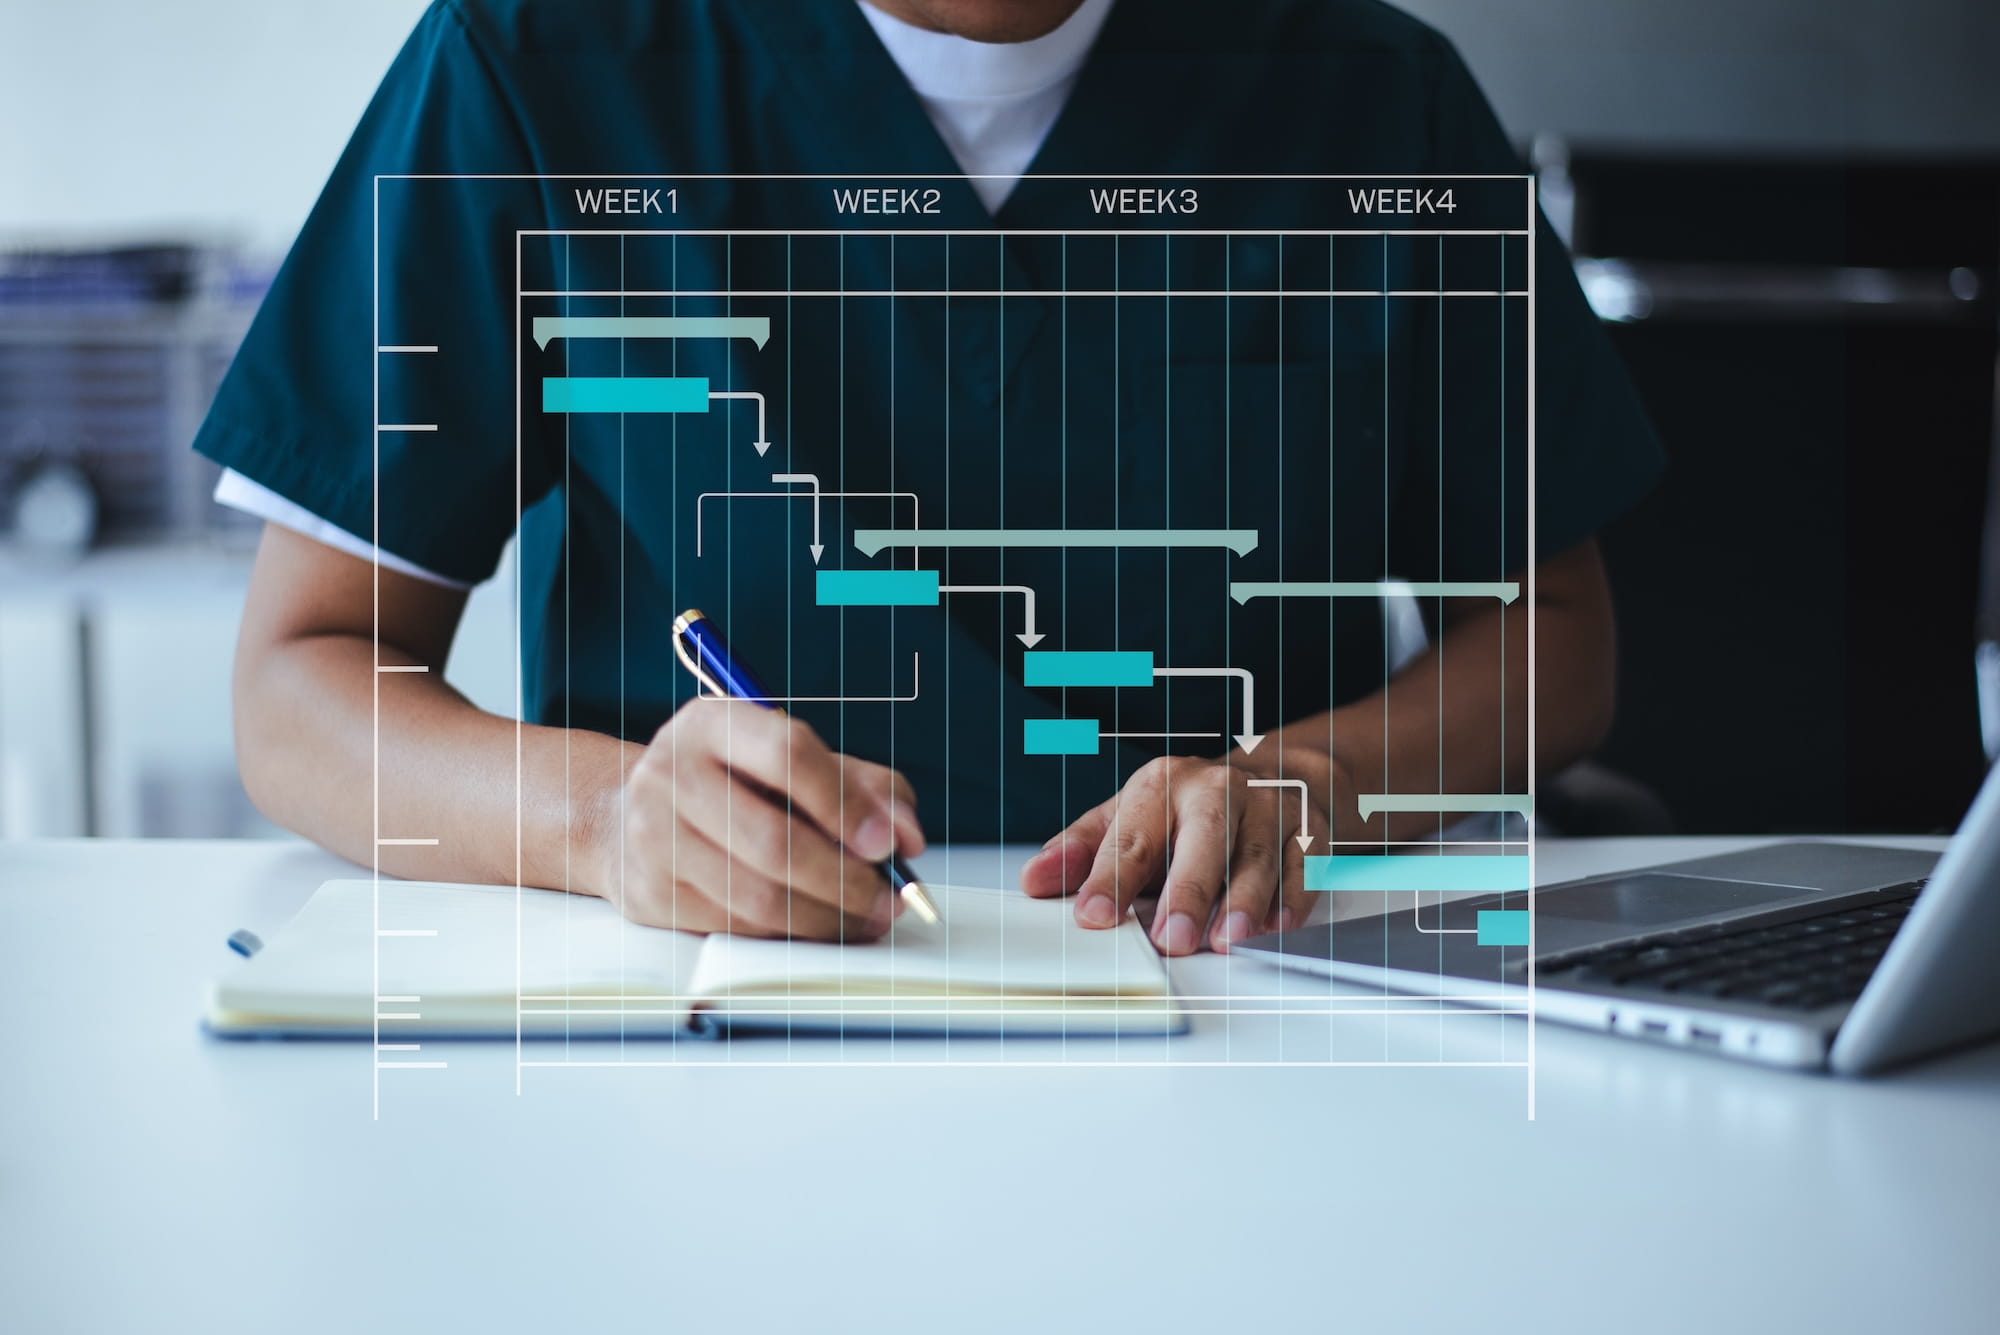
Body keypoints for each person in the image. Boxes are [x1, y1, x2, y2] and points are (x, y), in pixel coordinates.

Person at [199, 0, 1661, 957]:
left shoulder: (1371, 101)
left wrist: (1316, 783)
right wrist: (601, 822)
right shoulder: (532, 67)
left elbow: (1558, 638)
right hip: (696, 1042)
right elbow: (304, 677)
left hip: (1244, 1014)